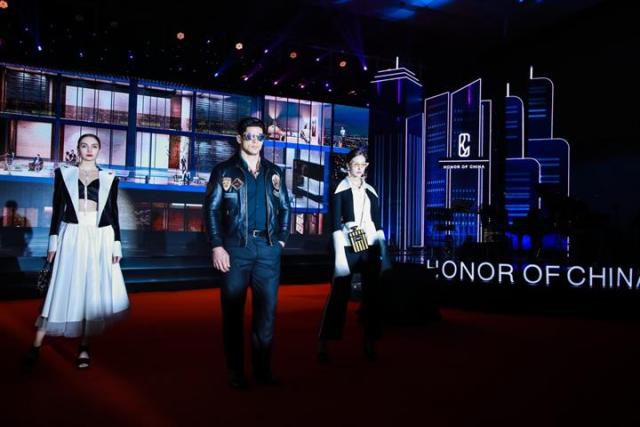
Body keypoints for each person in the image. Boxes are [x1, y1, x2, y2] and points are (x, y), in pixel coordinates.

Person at [25, 133, 129, 369]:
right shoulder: (64, 174)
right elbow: (58, 208)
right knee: (59, 286)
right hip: (71, 233)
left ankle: (84, 346)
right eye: (84, 146)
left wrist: (117, 244)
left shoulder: (109, 177)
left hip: (100, 235)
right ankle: (36, 344)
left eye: (94, 146)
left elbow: (113, 212)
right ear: (78, 149)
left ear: (99, 150)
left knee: (90, 290)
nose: (89, 150)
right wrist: (53, 242)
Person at [204, 117, 291, 389]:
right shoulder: (224, 171)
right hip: (235, 250)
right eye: (250, 136)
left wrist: (281, 242)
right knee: (233, 314)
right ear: (239, 138)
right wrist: (217, 245)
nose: (255, 141)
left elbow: (286, 208)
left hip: (268, 250)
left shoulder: (274, 171)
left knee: (266, 315)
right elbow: (211, 210)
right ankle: (236, 373)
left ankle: (263, 371)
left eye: (259, 137)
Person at [317, 148, 391, 363]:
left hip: (370, 245)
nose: (359, 168)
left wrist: (384, 253)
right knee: (338, 295)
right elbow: (335, 224)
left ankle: (370, 341)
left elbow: (377, 224)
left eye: (363, 164)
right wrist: (340, 255)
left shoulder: (371, 190)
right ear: (348, 165)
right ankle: (324, 343)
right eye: (355, 164)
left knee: (373, 296)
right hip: (349, 245)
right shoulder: (340, 188)